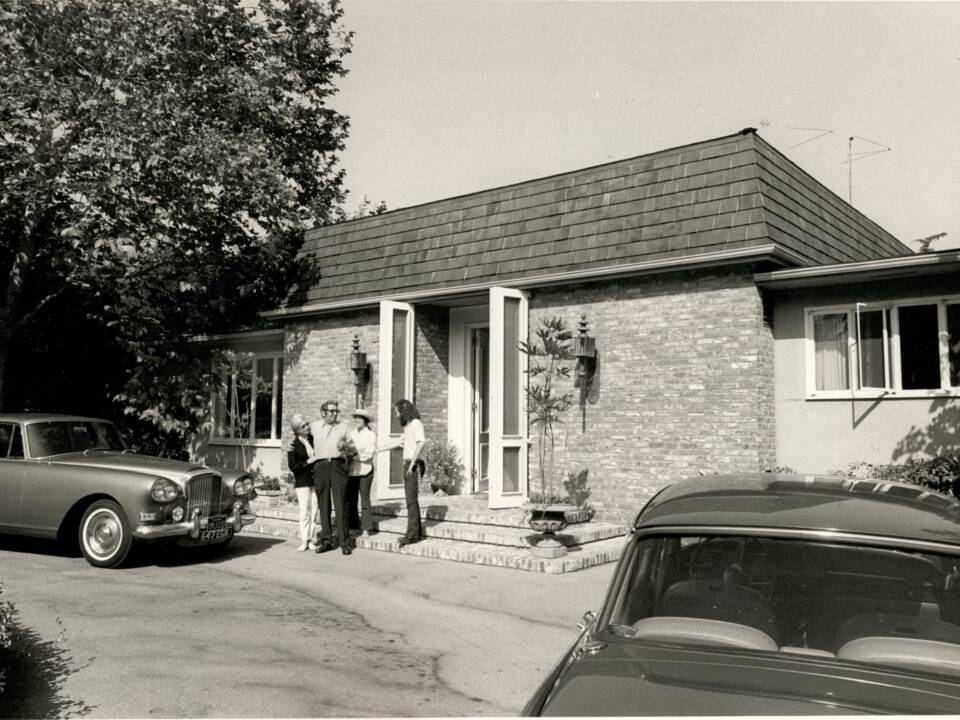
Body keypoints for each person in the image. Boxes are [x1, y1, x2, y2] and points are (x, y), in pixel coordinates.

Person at [377, 399, 426, 547]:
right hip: (409, 464)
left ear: (404, 411)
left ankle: (411, 535)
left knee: (411, 501)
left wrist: (412, 464)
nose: (397, 415)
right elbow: (398, 443)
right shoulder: (408, 426)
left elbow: (421, 442)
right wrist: (379, 449)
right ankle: (415, 534)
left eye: (397, 412)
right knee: (410, 501)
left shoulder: (416, 424)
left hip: (414, 464)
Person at [309, 399, 353, 555]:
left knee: (341, 504)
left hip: (338, 465)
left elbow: (352, 447)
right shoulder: (313, 427)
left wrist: (346, 449)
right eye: (332, 411)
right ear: (323, 413)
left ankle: (344, 542)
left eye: (336, 411)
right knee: (324, 504)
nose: (335, 414)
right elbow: (302, 439)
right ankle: (327, 540)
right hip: (320, 466)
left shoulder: (343, 427)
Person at [286, 413, 319, 552]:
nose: (307, 427)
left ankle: (312, 539)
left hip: (316, 480)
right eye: (304, 426)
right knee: (304, 512)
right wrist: (307, 462)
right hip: (302, 482)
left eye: (307, 424)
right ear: (298, 430)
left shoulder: (313, 439)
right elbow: (293, 467)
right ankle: (304, 540)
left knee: (314, 511)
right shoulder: (293, 445)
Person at [347, 408, 377, 538]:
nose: (357, 420)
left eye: (359, 418)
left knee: (364, 500)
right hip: (352, 471)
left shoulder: (370, 435)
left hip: (366, 471)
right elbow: (346, 449)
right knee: (351, 499)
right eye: (356, 417)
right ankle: (353, 525)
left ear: (365, 421)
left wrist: (354, 456)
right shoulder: (351, 434)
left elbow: (368, 455)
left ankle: (366, 528)